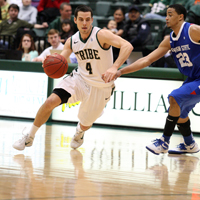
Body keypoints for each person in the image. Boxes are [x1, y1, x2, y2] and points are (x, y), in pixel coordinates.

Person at [12, 5, 133, 151]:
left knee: (85, 123)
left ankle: (80, 131)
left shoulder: (101, 35)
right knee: (50, 101)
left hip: (101, 87)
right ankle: (29, 137)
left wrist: (114, 67)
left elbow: (127, 46)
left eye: (88, 19)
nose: (84, 23)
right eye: (81, 19)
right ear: (75, 20)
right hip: (79, 79)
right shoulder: (72, 41)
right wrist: (49, 62)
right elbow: (61, 61)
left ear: (92, 20)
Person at [104, 4, 200, 155]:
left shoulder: (193, 30)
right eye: (166, 15)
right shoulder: (169, 40)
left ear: (180, 17)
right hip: (193, 78)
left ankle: (164, 142)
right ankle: (189, 144)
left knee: (175, 98)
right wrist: (121, 71)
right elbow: (146, 60)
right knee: (178, 112)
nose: (166, 18)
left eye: (170, 14)